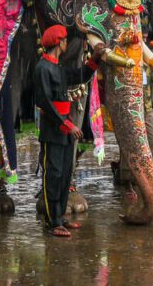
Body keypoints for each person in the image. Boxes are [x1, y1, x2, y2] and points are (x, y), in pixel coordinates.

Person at [33, 25, 100, 237]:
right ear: (58, 43)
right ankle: (52, 222)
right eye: (64, 41)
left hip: (65, 128)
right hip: (53, 129)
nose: (66, 44)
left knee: (64, 174)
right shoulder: (42, 68)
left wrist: (95, 59)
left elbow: (79, 75)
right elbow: (44, 102)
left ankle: (60, 217)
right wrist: (68, 124)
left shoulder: (59, 67)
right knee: (52, 175)